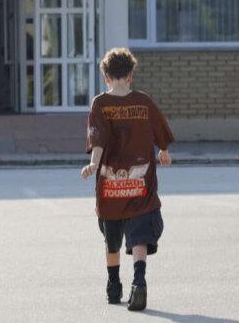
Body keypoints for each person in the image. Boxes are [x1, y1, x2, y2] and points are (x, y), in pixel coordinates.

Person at [81, 48, 174, 312]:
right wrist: (164, 151)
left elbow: (98, 140)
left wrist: (93, 165)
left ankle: (113, 285)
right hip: (140, 184)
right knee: (140, 236)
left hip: (110, 187)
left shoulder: (100, 103)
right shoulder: (144, 102)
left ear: (106, 77)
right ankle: (139, 280)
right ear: (131, 75)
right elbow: (161, 132)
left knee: (112, 240)